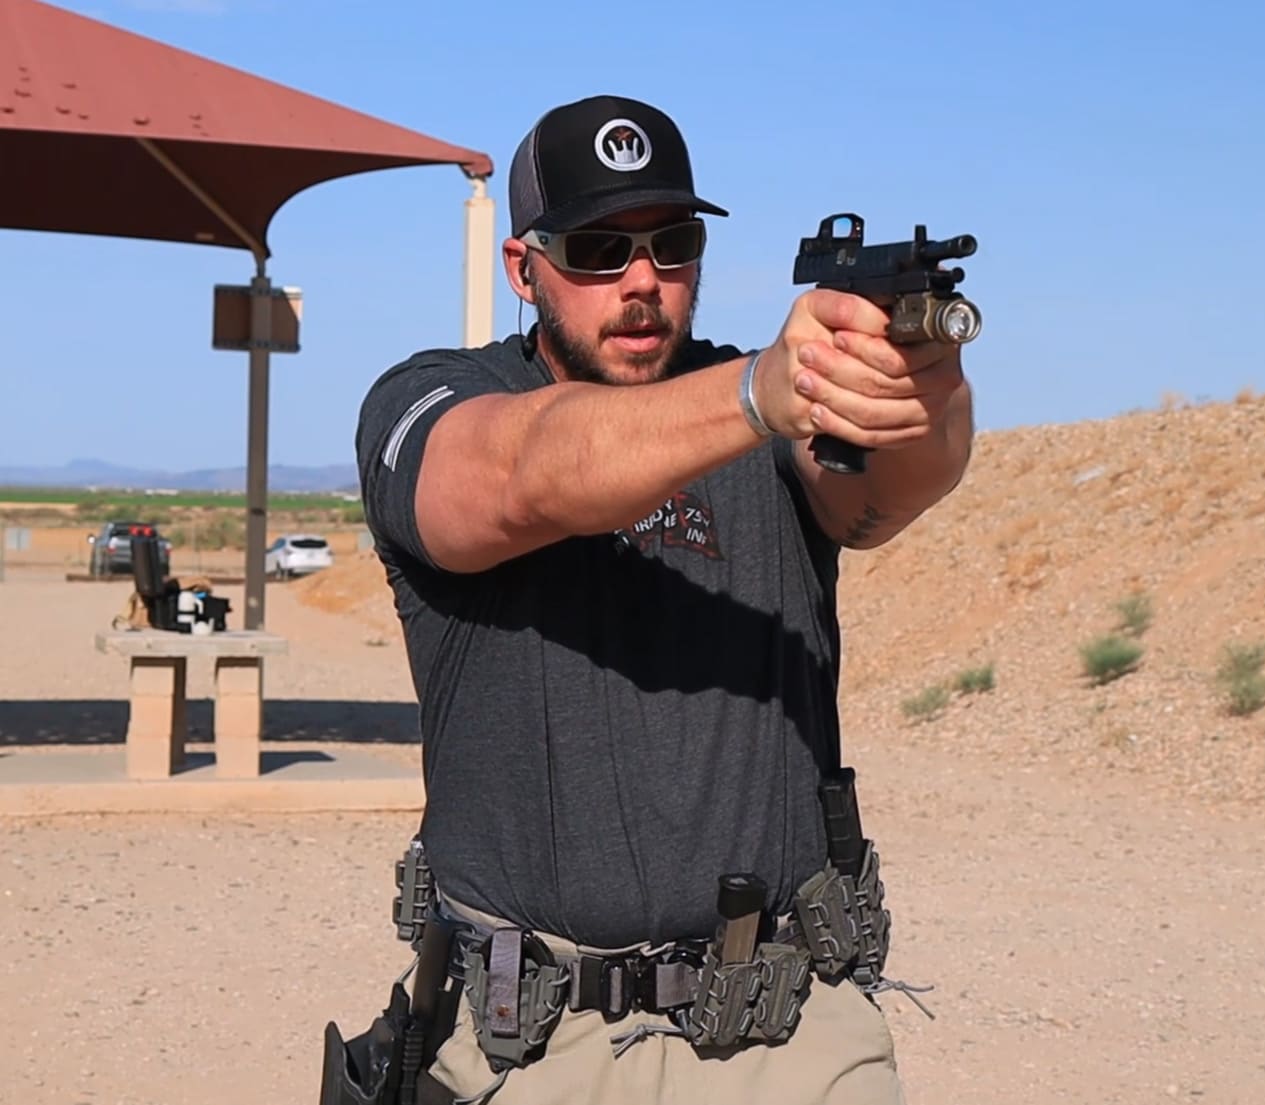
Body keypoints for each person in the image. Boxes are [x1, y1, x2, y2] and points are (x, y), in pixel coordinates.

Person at [344, 93, 974, 1105]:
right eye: (597, 249)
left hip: (787, 1034)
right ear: (524, 268)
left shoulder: (772, 410)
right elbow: (525, 471)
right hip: (531, 1046)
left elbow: (893, 487)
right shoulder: (429, 400)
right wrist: (763, 392)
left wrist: (919, 384)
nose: (640, 281)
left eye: (670, 244)